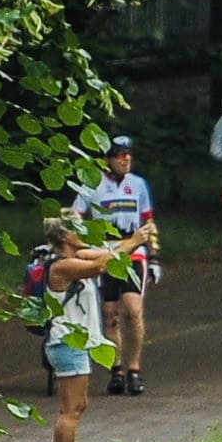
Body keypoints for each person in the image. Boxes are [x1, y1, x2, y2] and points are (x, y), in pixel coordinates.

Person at [21, 211, 123, 442]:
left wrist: (136, 241)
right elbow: (104, 263)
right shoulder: (62, 267)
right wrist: (133, 240)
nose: (86, 232)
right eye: (80, 228)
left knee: (77, 406)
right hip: (66, 342)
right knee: (70, 410)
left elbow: (110, 254)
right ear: (66, 236)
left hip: (72, 343)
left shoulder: (73, 258)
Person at [74, 135, 157, 393]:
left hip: (133, 252)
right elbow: (75, 217)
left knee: (132, 311)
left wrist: (154, 257)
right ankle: (117, 369)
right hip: (103, 252)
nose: (127, 159)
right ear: (108, 159)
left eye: (129, 154)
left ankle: (134, 368)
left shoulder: (139, 185)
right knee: (110, 315)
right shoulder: (92, 184)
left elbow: (149, 222)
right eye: (121, 155)